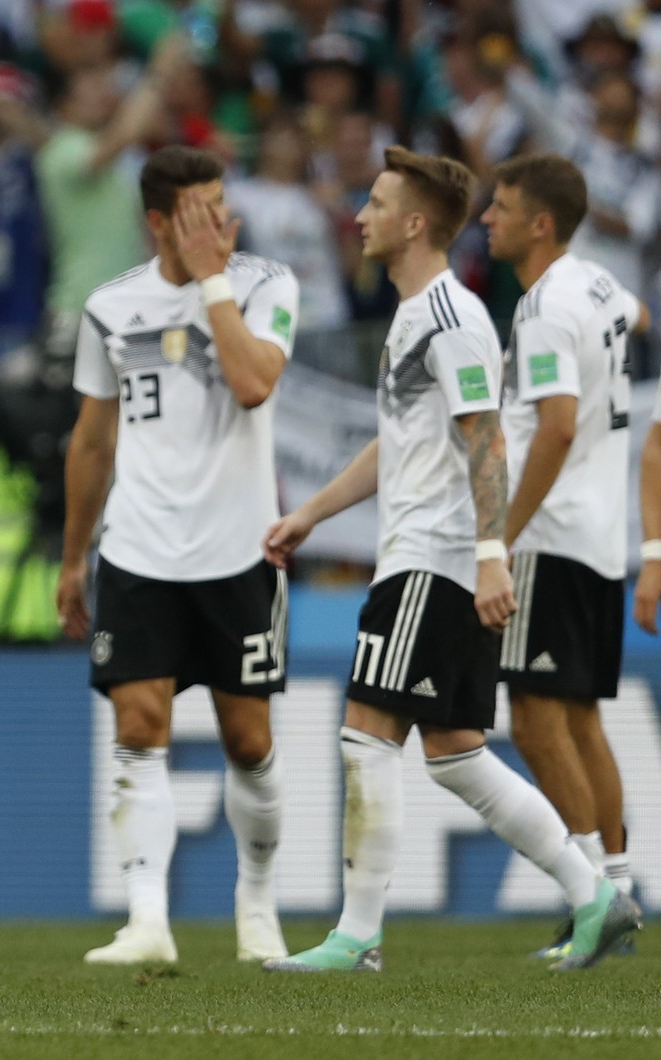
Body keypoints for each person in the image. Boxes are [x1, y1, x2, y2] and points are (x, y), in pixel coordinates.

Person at [262, 146, 641, 973]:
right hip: (435, 556)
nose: (359, 216)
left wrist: (490, 553)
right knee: (458, 754)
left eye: (375, 201)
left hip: (433, 560)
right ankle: (595, 896)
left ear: (416, 222)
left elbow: (487, 437)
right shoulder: (413, 316)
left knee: (367, 733)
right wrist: (311, 514)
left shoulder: (453, 318)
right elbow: (398, 445)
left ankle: (357, 936)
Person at [56, 145, 296, 967]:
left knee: (249, 741)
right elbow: (91, 441)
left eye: (223, 206)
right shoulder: (111, 308)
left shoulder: (267, 285)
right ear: (157, 221)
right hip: (139, 548)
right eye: (201, 212)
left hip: (239, 551)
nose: (220, 225)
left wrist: (213, 280)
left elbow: (255, 381)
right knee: (139, 725)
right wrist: (71, 557)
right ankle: (147, 921)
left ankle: (257, 904)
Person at [483, 153, 648, 958]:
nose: (487, 218)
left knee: (538, 717)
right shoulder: (601, 285)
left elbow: (551, 425)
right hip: (599, 533)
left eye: (502, 207)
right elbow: (640, 318)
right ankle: (618, 887)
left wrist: (501, 536)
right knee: (580, 718)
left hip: (548, 536)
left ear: (539, 223)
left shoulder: (546, 305)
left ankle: (594, 902)